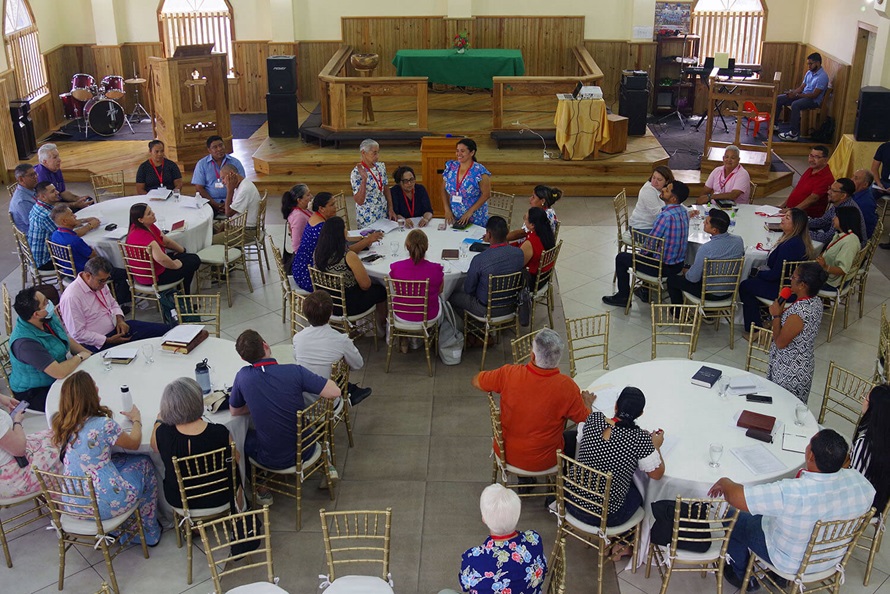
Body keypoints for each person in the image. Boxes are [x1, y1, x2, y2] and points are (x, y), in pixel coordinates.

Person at [709, 429, 874, 590]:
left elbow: (738, 498)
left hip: (789, 561)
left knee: (733, 517)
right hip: (832, 558)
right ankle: (778, 578)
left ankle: (740, 574)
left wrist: (725, 482)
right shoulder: (863, 485)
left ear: (810, 455)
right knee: (777, 516)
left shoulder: (793, 492)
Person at [51, 371, 162, 546]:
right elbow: (133, 443)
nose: (97, 387)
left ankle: (122, 526)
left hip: (74, 503)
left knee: (117, 459)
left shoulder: (61, 423)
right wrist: (137, 421)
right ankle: (147, 531)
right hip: (104, 504)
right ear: (90, 393)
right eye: (94, 385)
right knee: (144, 463)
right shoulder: (103, 425)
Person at [229, 329, 340, 504]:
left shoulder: (242, 377)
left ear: (243, 359)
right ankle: (324, 462)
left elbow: (234, 411)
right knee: (305, 421)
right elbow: (335, 391)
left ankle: (261, 487)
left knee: (241, 439)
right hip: (306, 448)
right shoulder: (294, 371)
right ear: (265, 345)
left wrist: (257, 406)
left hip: (270, 458)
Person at [471, 329, 594, 473]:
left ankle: (524, 480)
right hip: (546, 461)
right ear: (558, 358)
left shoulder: (509, 374)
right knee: (573, 439)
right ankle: (559, 487)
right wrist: (587, 403)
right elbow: (587, 420)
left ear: (532, 355)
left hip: (507, 453)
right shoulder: (567, 387)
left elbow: (476, 381)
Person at [564, 388, 664, 541]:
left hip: (571, 501)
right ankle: (625, 543)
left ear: (616, 406)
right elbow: (656, 474)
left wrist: (587, 403)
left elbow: (593, 422)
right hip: (604, 517)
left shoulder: (594, 419)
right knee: (641, 492)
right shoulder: (639, 439)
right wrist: (656, 446)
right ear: (641, 414)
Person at [151, 377, 242, 511]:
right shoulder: (219, 432)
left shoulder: (163, 433)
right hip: (222, 496)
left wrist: (158, 421)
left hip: (182, 501)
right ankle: (239, 515)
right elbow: (237, 459)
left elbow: (154, 447)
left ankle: (193, 528)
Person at [441, 484, 547, 594]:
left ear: (484, 519)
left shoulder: (472, 558)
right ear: (518, 515)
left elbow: (464, 586)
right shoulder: (534, 540)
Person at [603, 180, 690, 307]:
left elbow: (651, 243)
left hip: (662, 267)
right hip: (678, 265)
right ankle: (645, 289)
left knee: (621, 257)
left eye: (667, 189)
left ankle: (623, 297)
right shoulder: (684, 212)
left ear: (673, 198)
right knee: (647, 254)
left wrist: (642, 255)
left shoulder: (665, 216)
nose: (663, 189)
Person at [59, 256, 169, 352]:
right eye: (101, 281)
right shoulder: (72, 297)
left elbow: (112, 303)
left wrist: (120, 320)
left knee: (164, 330)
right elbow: (78, 334)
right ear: (87, 276)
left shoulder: (99, 283)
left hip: (117, 329)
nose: (104, 284)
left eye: (106, 280)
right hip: (97, 344)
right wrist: (107, 340)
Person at [9, 287, 92, 411]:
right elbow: (59, 372)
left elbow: (65, 338)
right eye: (45, 303)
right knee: (84, 398)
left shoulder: (46, 318)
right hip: (35, 392)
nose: (50, 303)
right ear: (36, 314)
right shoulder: (26, 343)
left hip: (55, 374)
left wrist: (90, 354)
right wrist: (80, 357)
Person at [740, 208, 814, 337]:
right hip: (791, 286)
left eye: (787, 218)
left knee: (745, 285)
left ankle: (755, 329)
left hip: (784, 290)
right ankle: (764, 317)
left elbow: (776, 275)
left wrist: (758, 273)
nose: (782, 219)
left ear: (796, 224)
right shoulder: (798, 241)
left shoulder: (790, 245)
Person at [291, 290, 373, 407]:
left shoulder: (298, 338)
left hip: (303, 401)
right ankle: (349, 392)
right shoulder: (341, 340)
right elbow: (358, 364)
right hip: (329, 401)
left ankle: (351, 390)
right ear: (331, 313)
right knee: (336, 369)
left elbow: (296, 358)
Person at [292, 192, 382, 291]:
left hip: (300, 266)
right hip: (312, 275)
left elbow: (344, 239)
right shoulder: (322, 228)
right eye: (332, 205)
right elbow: (343, 253)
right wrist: (367, 240)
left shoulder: (317, 218)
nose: (336, 207)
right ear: (321, 208)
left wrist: (361, 239)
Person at [313, 215, 388, 331]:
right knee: (381, 290)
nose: (346, 231)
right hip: (349, 305)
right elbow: (365, 285)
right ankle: (382, 325)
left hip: (327, 302)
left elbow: (348, 251)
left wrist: (366, 241)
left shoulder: (318, 252)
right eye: (344, 228)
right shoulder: (348, 257)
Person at [448, 216, 524, 327]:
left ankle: (469, 329)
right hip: (513, 305)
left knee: (451, 296)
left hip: (486, 309)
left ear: (488, 235)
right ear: (507, 232)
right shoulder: (519, 253)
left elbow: (469, 289)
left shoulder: (480, 259)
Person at [767, 262, 827, 402]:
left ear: (802, 285)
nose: (790, 279)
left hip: (790, 372)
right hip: (801, 364)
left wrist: (776, 316)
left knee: (783, 408)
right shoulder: (816, 301)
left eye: (793, 277)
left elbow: (781, 342)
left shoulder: (800, 313)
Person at [48, 205, 131, 304]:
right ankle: (119, 302)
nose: (75, 216)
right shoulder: (74, 241)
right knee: (123, 273)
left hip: (67, 270)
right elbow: (93, 255)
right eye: (71, 215)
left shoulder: (55, 235)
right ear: (64, 222)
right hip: (85, 272)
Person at [667, 209, 745, 304]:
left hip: (709, 292)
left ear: (714, 230)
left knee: (672, 280)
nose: (703, 222)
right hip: (730, 290)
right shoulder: (738, 240)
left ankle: (677, 312)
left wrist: (686, 273)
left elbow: (693, 278)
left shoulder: (706, 248)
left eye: (707, 222)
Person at [125, 203, 201, 293]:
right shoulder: (143, 235)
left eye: (151, 211)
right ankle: (184, 296)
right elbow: (161, 259)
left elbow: (166, 241)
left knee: (187, 257)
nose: (153, 213)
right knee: (194, 260)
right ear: (141, 220)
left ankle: (183, 295)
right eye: (149, 213)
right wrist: (175, 265)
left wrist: (182, 251)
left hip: (150, 269)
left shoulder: (143, 226)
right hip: (154, 276)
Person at [389, 229, 445, 352]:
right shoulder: (436, 269)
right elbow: (440, 290)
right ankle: (429, 334)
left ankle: (404, 337)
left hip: (402, 314)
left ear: (407, 246)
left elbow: (395, 288)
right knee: (442, 300)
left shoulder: (396, 267)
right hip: (428, 316)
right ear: (427, 247)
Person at [0, 391, 63, 500]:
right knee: (65, 450)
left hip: (10, 462)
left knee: (55, 435)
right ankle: (69, 505)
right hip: (13, 477)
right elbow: (18, 449)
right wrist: (17, 422)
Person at [29, 182, 100, 271]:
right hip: (46, 260)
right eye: (52, 191)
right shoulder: (46, 215)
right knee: (88, 256)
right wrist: (90, 226)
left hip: (36, 255)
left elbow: (65, 224)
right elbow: (67, 235)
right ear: (43, 197)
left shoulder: (39, 206)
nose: (57, 192)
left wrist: (85, 220)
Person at [851, 385, 890, 518]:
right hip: (881, 499)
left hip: (861, 505)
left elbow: (853, 482)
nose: (863, 401)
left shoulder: (865, 444)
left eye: (865, 399)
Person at [775, 53, 830, 142]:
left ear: (818, 63)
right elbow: (801, 87)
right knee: (779, 98)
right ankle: (774, 125)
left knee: (795, 104)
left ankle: (793, 134)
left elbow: (814, 95)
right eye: (808, 64)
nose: (809, 66)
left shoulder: (823, 76)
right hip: (803, 95)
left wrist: (796, 95)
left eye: (810, 64)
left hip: (813, 101)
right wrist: (793, 92)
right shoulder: (809, 73)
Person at [442, 138, 492, 227]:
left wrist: (469, 212)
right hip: (455, 217)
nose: (459, 154)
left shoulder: (479, 171)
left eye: (462, 151)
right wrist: (447, 209)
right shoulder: (451, 167)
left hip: (475, 217)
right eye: (457, 151)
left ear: (472, 153)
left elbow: (486, 194)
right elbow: (443, 189)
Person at [191, 135, 246, 214]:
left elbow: (242, 183)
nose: (219, 149)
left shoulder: (235, 162)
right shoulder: (202, 164)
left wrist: (230, 202)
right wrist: (214, 204)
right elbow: (199, 188)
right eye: (215, 147)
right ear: (209, 150)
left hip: (233, 201)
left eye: (221, 145)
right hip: (210, 202)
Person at [816, 207, 865, 291]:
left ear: (844, 219)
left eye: (836, 217)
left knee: (800, 282)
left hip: (832, 282)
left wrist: (825, 267)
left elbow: (843, 269)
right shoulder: (841, 234)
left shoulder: (850, 242)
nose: (833, 219)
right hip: (827, 274)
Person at [808, 178, 866, 247]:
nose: (828, 192)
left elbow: (827, 238)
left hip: (848, 251)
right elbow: (823, 221)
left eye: (833, 191)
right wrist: (800, 222)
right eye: (830, 188)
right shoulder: (839, 203)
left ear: (843, 196)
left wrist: (803, 232)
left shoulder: (845, 211)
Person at [211, 163, 261, 244]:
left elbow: (228, 213)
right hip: (236, 225)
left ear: (231, 174)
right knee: (208, 228)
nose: (222, 182)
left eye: (223, 178)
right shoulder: (240, 184)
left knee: (210, 241)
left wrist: (229, 190)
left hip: (246, 231)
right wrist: (226, 223)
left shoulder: (245, 189)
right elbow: (231, 211)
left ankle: (230, 256)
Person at [350, 139, 395, 229]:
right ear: (363, 153)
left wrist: (390, 208)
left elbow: (386, 188)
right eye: (374, 153)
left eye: (378, 152)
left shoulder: (381, 167)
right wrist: (364, 180)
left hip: (382, 211)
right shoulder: (356, 173)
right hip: (367, 216)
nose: (377, 156)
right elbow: (359, 201)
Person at [779, 145, 834, 217]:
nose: (811, 160)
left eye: (816, 157)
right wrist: (783, 205)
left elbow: (813, 199)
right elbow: (797, 188)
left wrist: (793, 210)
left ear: (825, 160)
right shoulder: (810, 169)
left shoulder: (827, 178)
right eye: (811, 156)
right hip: (790, 211)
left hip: (804, 216)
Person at [34, 143, 92, 209]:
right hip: (48, 207)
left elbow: (62, 192)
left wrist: (78, 198)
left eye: (58, 156)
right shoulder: (41, 176)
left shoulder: (55, 168)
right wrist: (75, 204)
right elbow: (51, 204)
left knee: (88, 201)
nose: (59, 160)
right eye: (55, 157)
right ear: (45, 162)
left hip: (56, 199)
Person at [628, 166, 674, 236]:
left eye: (659, 179)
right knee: (673, 236)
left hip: (652, 226)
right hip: (640, 229)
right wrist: (677, 215)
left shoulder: (665, 189)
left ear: (667, 181)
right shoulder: (648, 190)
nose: (655, 182)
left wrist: (688, 211)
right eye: (653, 177)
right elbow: (658, 215)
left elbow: (675, 201)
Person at [520, 207, 556, 287]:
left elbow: (518, 264)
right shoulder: (548, 234)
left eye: (525, 219)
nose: (524, 221)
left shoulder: (530, 243)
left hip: (532, 281)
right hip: (544, 276)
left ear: (532, 225)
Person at [281, 183, 313, 256]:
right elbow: (296, 245)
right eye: (308, 195)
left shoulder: (304, 210)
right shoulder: (298, 217)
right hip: (305, 256)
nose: (311, 197)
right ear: (299, 200)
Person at [9, 163, 39, 233]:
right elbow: (34, 224)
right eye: (32, 175)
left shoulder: (30, 188)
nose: (36, 177)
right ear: (21, 179)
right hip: (33, 236)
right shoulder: (22, 202)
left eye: (35, 174)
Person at [851, 169, 878, 240]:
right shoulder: (855, 194)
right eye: (853, 176)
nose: (851, 179)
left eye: (856, 178)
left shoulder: (864, 203)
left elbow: (864, 231)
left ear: (865, 184)